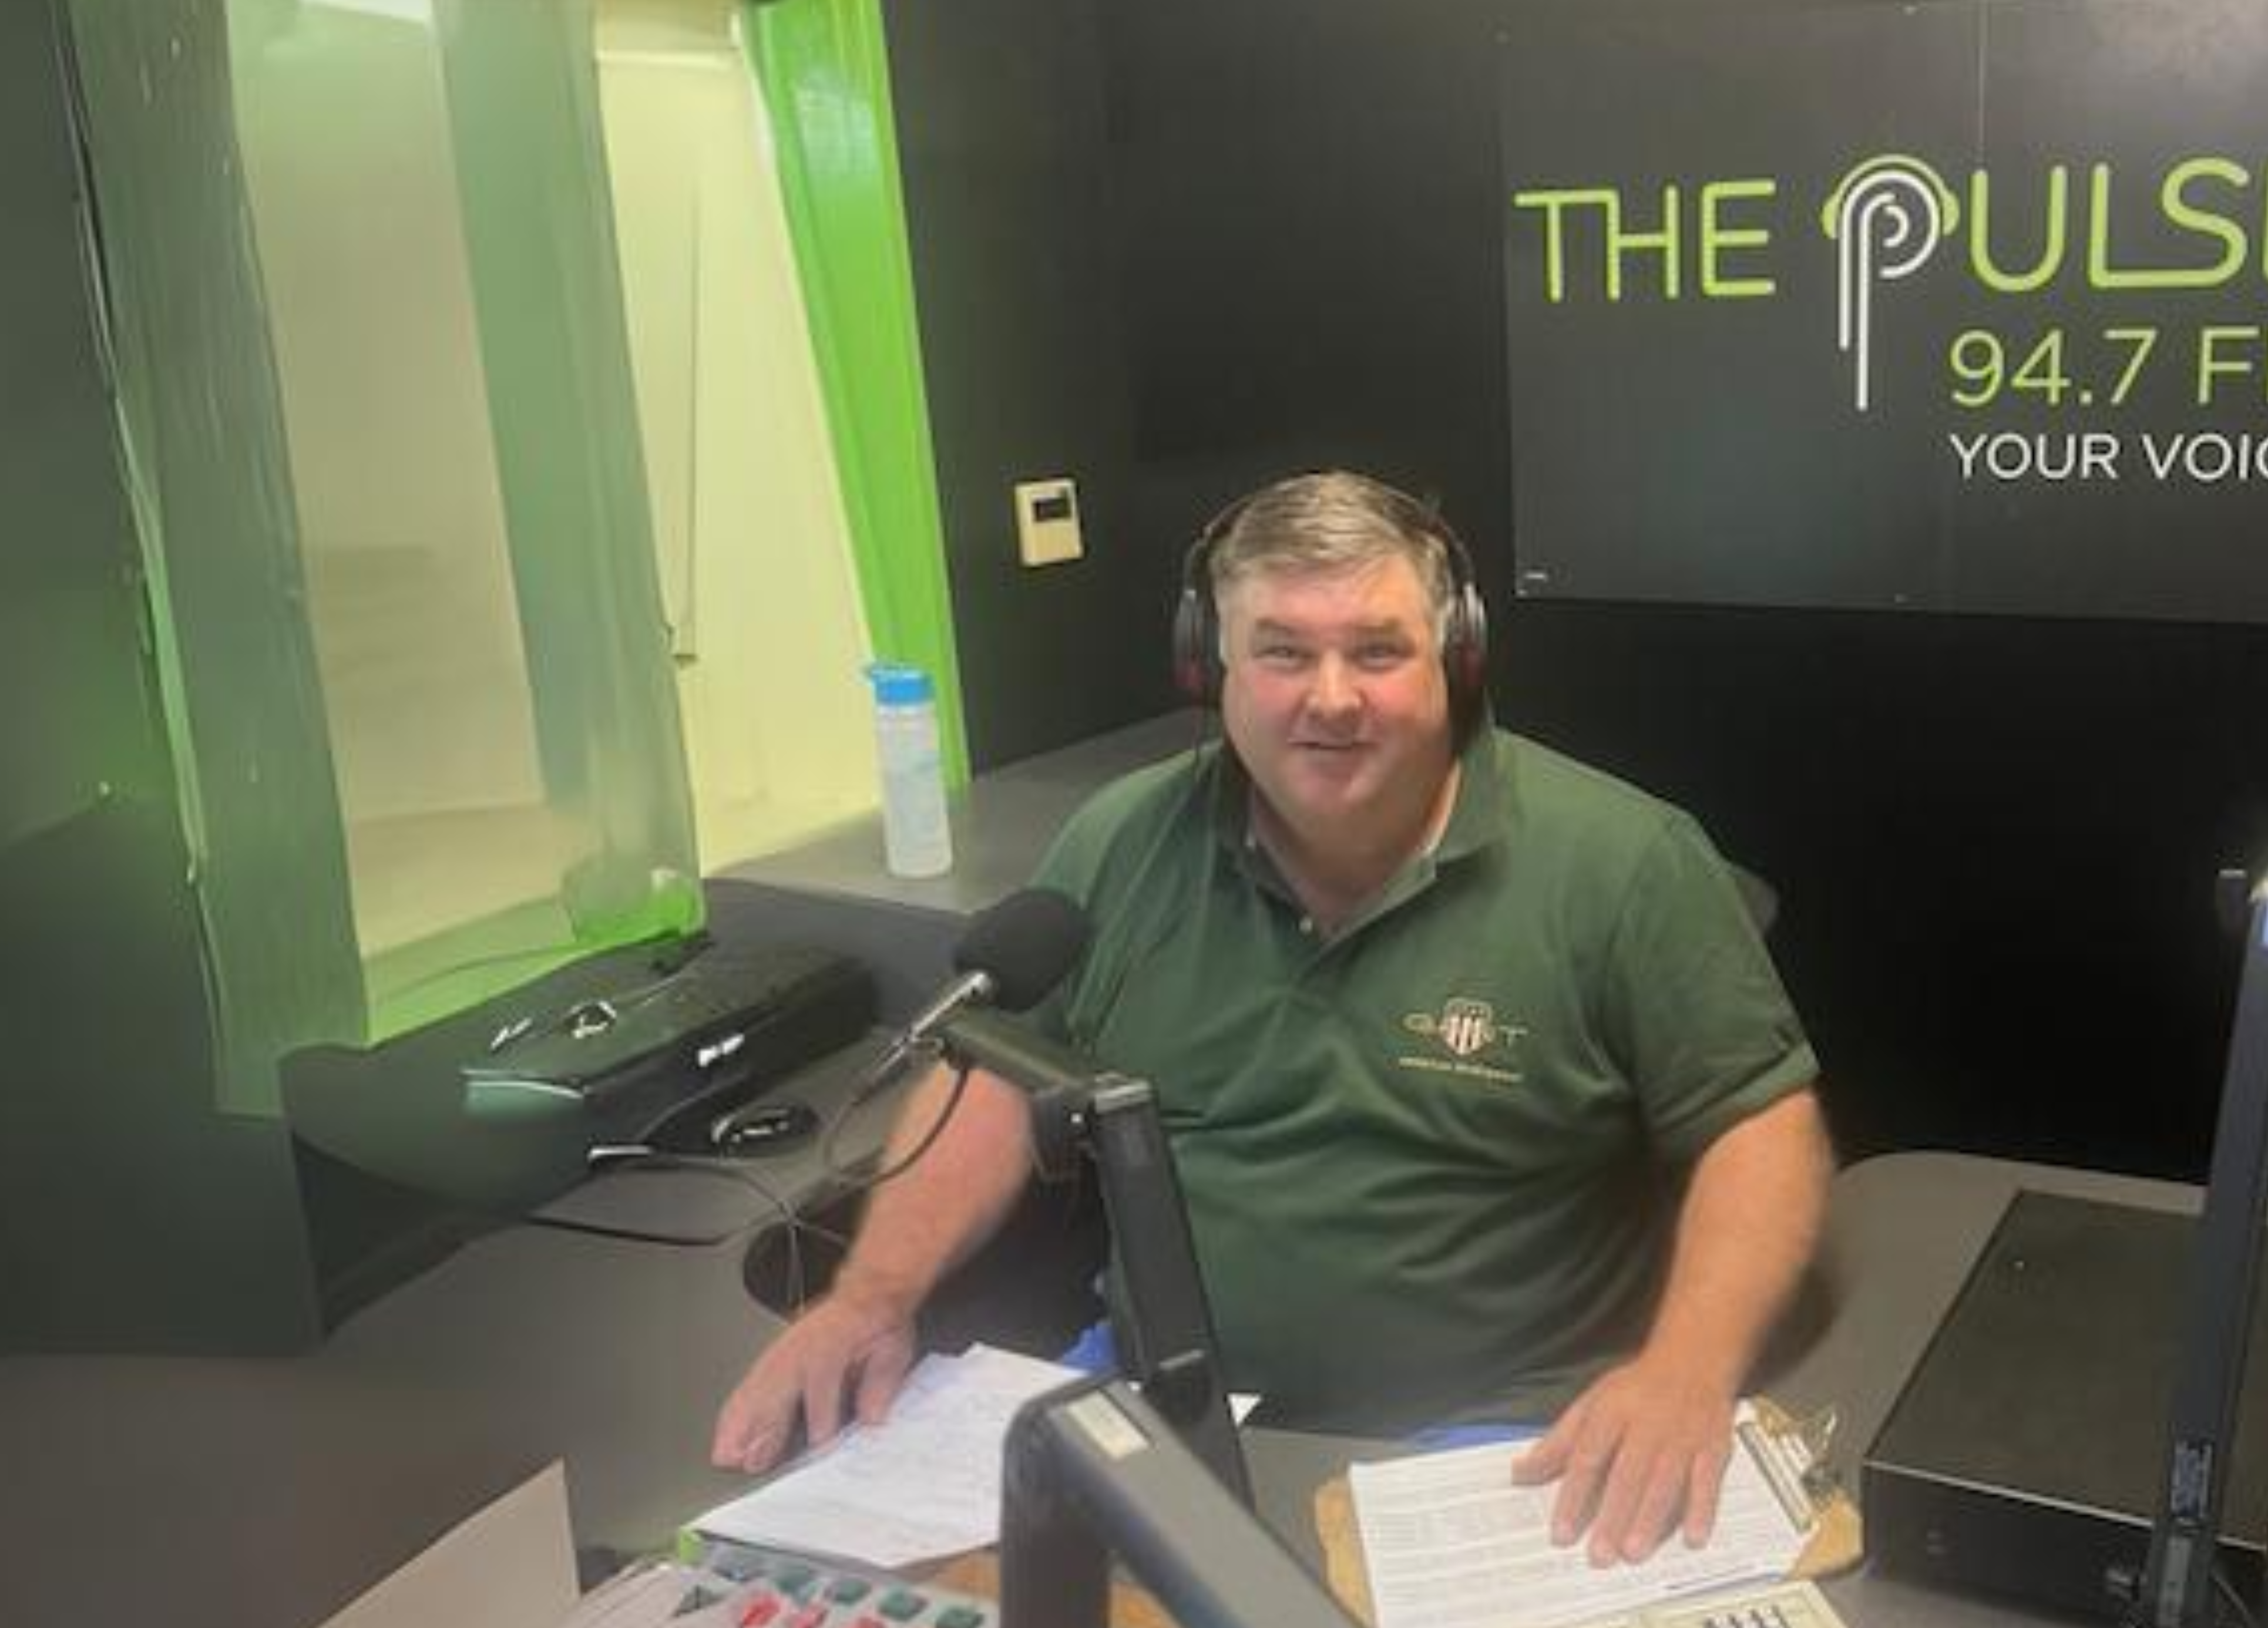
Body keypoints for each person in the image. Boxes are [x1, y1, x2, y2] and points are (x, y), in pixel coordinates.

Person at [713, 470, 1833, 1567]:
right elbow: (997, 1079)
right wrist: (869, 1299)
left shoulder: (1624, 863)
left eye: (1378, 651)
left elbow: (1763, 1133)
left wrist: (1685, 1371)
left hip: (1497, 1442)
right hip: (1157, 1407)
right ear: (1211, 666)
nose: (1331, 698)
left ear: (1457, 657)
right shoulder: (1120, 842)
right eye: (1284, 652)